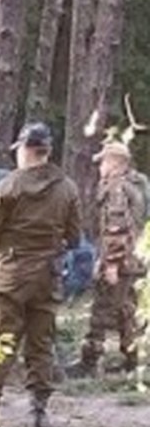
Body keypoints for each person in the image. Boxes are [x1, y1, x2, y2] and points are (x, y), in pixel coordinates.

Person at [0, 121, 82, 427]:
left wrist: (5, 253)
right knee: (41, 340)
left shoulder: (9, 186)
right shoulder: (67, 187)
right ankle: (38, 411)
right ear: (47, 151)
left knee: (1, 339)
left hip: (12, 271)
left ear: (27, 150)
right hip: (48, 274)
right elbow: (75, 237)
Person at [78, 140, 147, 376]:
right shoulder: (136, 185)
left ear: (115, 163)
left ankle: (90, 360)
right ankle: (133, 360)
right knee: (126, 310)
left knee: (102, 309)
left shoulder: (116, 189)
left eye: (103, 162)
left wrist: (111, 264)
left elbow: (116, 229)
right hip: (134, 259)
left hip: (121, 260)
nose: (100, 167)